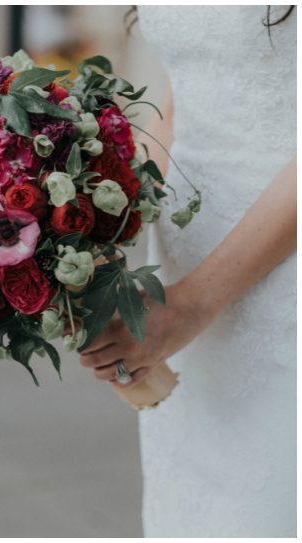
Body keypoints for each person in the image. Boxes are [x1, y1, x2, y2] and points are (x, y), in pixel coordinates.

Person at [79, 6, 296, 537]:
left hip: (280, 274)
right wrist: (85, 226)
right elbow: (181, 107)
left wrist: (192, 305)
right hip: (178, 272)